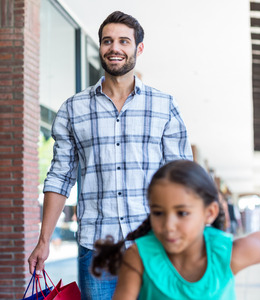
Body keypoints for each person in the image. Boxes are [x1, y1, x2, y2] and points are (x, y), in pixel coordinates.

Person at [27, 11, 193, 299]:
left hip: (152, 247)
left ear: (138, 49)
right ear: (100, 48)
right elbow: (59, 177)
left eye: (123, 41)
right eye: (107, 41)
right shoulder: (73, 109)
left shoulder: (164, 106)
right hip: (96, 249)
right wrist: (44, 240)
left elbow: (183, 179)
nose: (114, 48)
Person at [92, 160, 260, 300]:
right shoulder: (140, 256)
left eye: (182, 213)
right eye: (158, 212)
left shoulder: (225, 254)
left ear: (209, 213)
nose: (169, 225)